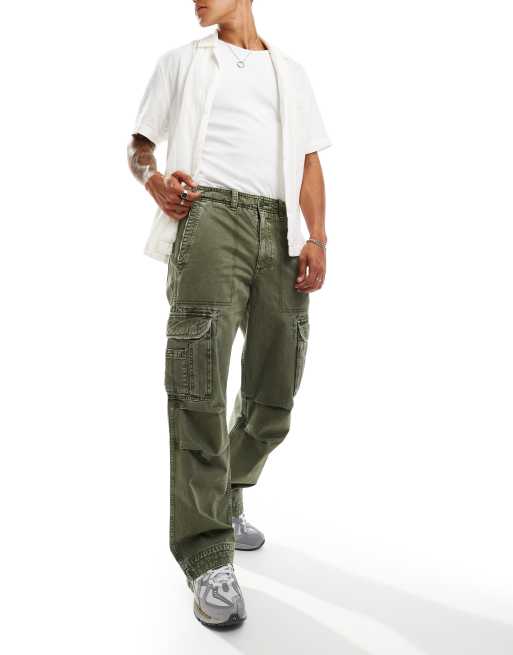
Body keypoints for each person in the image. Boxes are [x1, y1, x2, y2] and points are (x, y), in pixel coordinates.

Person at [127, 0, 332, 628]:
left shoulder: (290, 72)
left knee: (275, 397)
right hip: (209, 218)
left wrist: (317, 237)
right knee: (199, 390)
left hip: (281, 230)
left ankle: (224, 494)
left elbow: (309, 162)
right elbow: (139, 147)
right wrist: (153, 180)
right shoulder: (180, 62)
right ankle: (207, 555)